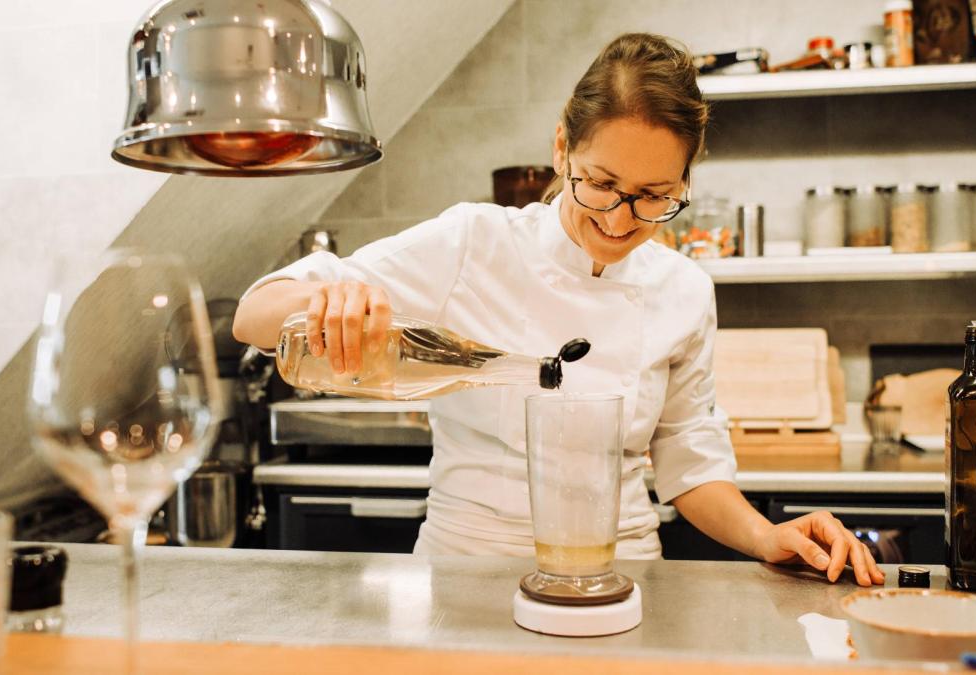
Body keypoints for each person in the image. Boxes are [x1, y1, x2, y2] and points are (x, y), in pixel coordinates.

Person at [233, 33, 885, 586]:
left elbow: (689, 460)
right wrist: (327, 300)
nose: (620, 217)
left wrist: (768, 535)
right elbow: (253, 314)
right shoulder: (474, 242)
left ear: (686, 183)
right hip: (468, 578)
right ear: (561, 150)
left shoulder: (684, 288)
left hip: (626, 583)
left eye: (654, 195)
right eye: (600, 183)